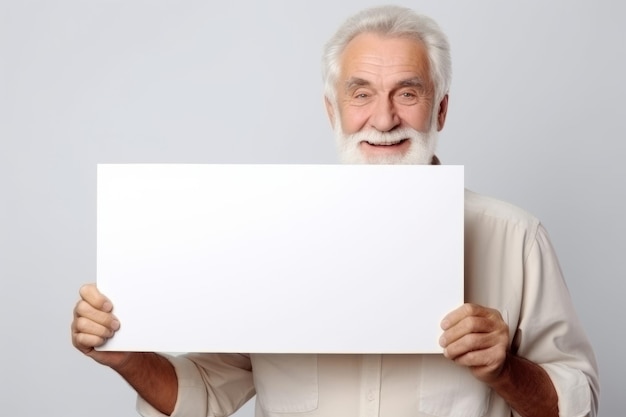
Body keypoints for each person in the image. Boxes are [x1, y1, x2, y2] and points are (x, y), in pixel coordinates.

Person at [71, 5, 599, 417]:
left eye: (408, 93)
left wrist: (504, 370)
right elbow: (205, 392)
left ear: (440, 107)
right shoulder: (268, 236)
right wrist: (124, 355)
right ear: (333, 110)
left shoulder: (515, 236)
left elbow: (580, 404)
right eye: (361, 93)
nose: (385, 118)